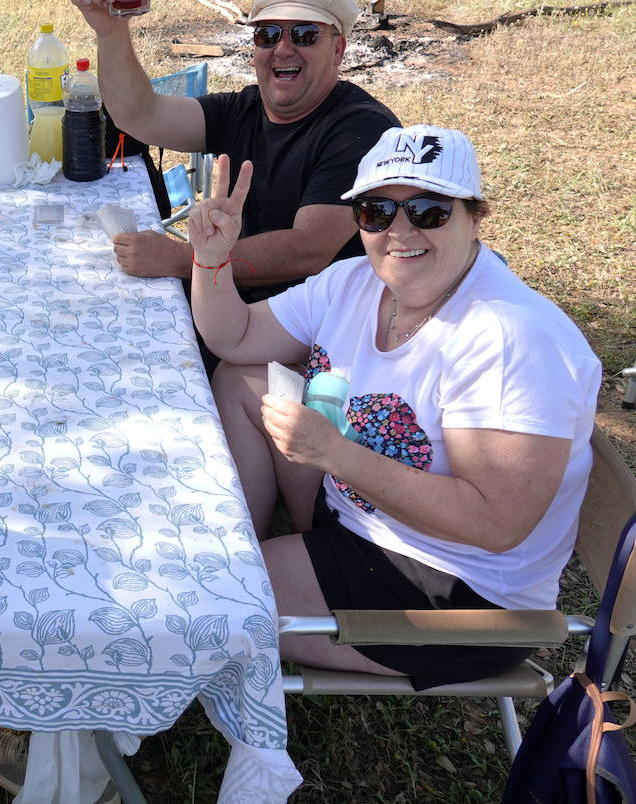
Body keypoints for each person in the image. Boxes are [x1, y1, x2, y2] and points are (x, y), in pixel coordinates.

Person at [190, 125, 600, 688]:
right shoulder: (356, 281)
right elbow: (234, 338)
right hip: (360, 514)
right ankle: (252, 549)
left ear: (474, 216)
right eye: (376, 211)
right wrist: (212, 261)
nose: (399, 231)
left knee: (199, 598)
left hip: (455, 591)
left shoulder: (509, 340)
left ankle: (253, 579)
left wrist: (336, 455)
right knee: (242, 378)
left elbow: (497, 523)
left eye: (428, 211)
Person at [70, 0, 400, 306]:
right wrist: (111, 32)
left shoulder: (363, 130)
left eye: (305, 34)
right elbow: (141, 115)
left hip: (314, 334)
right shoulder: (244, 109)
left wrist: (183, 258)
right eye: (267, 35)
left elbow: (308, 250)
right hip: (234, 305)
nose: (283, 48)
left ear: (338, 49)